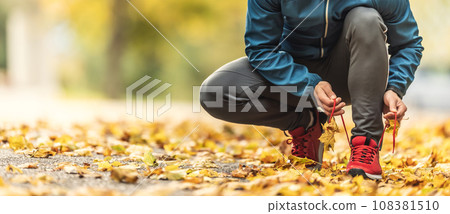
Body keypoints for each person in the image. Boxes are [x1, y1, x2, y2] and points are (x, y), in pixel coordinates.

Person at [200, 0, 423, 180]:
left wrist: (395, 87)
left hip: (351, 73)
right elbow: (261, 49)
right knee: (216, 94)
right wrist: (307, 84)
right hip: (292, 73)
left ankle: (365, 144)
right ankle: (305, 123)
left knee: (365, 18)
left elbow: (408, 44)